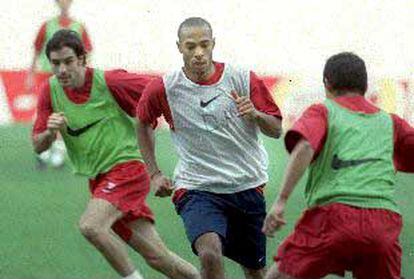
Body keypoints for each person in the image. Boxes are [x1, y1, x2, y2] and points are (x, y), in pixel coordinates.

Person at [32, 29, 199, 279]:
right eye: (56, 63)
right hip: (100, 180)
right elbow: (38, 145)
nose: (62, 70)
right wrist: (49, 132)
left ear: (82, 59)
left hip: (127, 171)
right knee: (157, 257)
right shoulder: (51, 91)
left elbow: (159, 89)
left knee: (91, 225)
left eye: (68, 61)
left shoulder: (110, 82)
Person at [136, 17, 282, 279]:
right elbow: (143, 122)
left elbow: (276, 128)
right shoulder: (165, 87)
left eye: (204, 45)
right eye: (190, 46)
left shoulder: (241, 78)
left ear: (214, 44)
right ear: (179, 47)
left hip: (246, 186)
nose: (198, 53)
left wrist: (256, 115)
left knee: (255, 270)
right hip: (197, 187)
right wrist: (155, 173)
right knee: (210, 253)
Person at [262, 52, 414, 279]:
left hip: (333, 218)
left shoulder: (323, 111)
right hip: (382, 224)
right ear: (364, 85)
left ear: (327, 84)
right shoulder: (392, 122)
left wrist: (281, 200)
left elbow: (304, 148)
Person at [28, 0, 93, 169]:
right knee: (43, 113)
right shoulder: (47, 26)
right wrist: (31, 73)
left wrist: (83, 73)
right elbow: (37, 49)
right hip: (46, 74)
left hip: (68, 77)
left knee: (63, 113)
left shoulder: (79, 27)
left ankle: (58, 151)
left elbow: (87, 52)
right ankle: (42, 153)